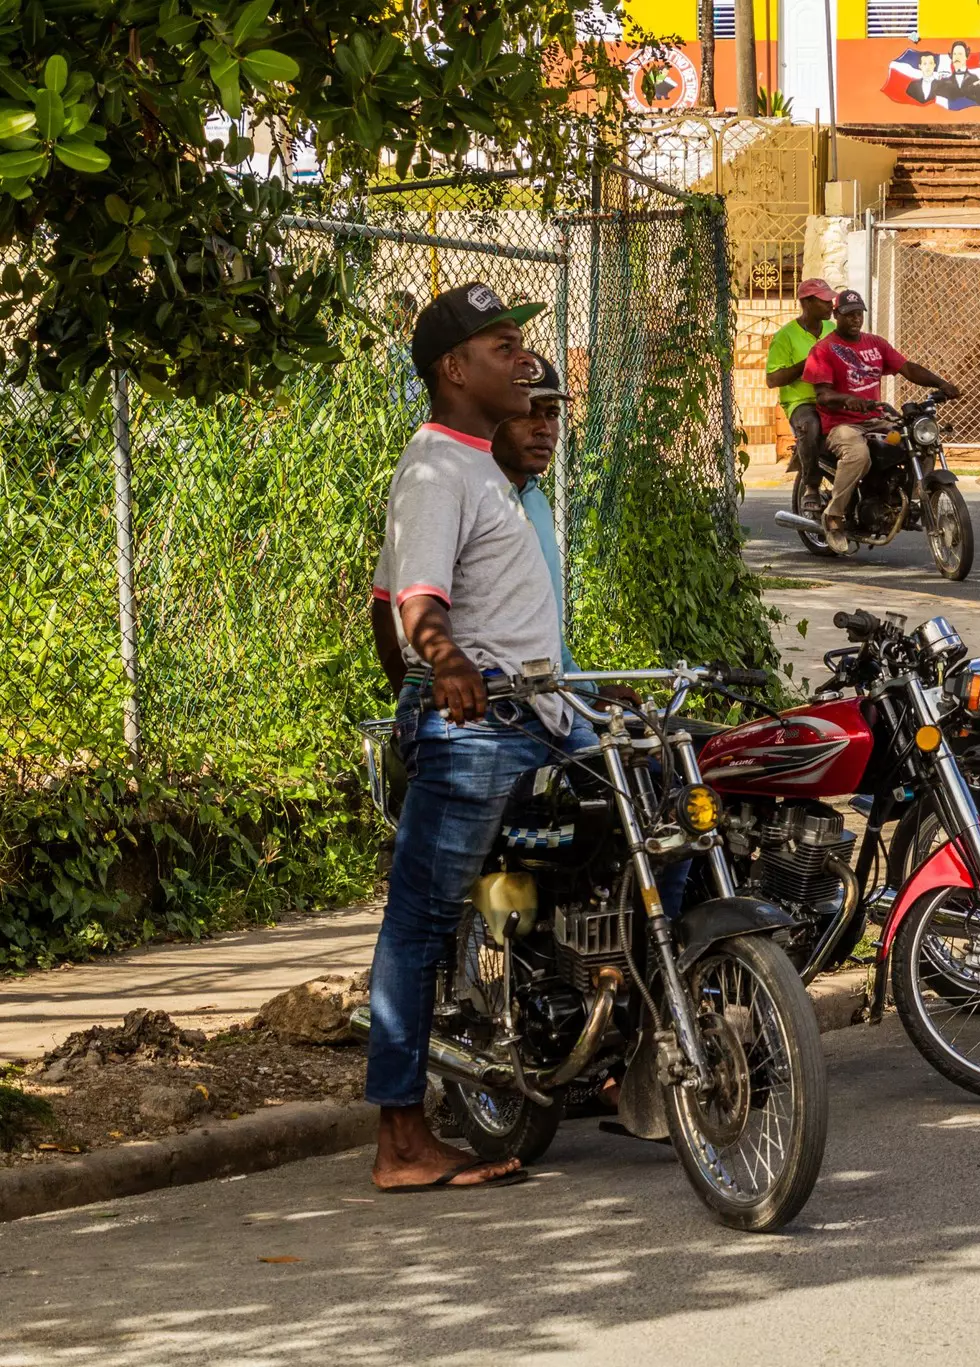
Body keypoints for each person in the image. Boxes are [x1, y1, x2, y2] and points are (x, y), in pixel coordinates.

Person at [363, 282, 590, 1193]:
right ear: (454, 370)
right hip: (475, 727)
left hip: (536, 721)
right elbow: (412, 601)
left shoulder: (484, 471)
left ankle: (607, 1046)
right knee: (419, 923)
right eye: (502, 347)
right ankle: (402, 1137)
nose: (522, 359)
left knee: (654, 829)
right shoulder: (434, 468)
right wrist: (442, 662)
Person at [371, 353, 581, 695]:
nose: (543, 429)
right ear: (493, 419)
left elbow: (545, 630)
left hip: (543, 693)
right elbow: (387, 603)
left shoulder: (537, 501)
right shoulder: (454, 485)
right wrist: (412, 704)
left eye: (552, 414)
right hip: (480, 697)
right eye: (527, 414)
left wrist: (584, 689)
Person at [801, 289, 960, 554]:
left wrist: (941, 383)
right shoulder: (824, 350)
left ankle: (906, 501)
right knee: (858, 454)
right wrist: (848, 400)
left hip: (876, 419)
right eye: (849, 314)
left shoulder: (875, 343)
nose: (855, 319)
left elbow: (907, 368)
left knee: (918, 441)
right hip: (842, 424)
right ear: (837, 315)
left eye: (859, 314)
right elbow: (823, 395)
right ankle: (834, 517)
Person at [764, 279, 837, 516]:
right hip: (802, 403)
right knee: (810, 426)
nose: (830, 305)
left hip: (832, 397)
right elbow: (773, 379)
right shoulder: (785, 336)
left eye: (830, 300)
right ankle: (812, 487)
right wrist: (808, 364)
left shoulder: (832, 330)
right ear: (806, 302)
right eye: (824, 300)